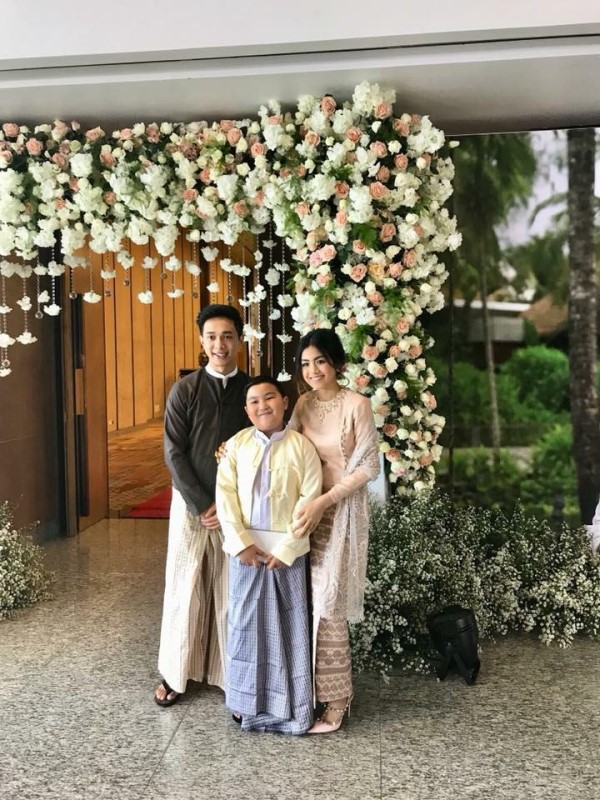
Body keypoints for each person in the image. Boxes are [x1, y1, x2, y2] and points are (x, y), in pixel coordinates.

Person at [216, 376, 322, 734]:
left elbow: (310, 499)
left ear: (285, 402)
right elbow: (225, 497)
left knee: (290, 628)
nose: (263, 406)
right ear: (246, 410)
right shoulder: (236, 446)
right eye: (254, 401)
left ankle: (292, 708)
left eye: (269, 398)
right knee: (244, 627)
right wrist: (241, 543)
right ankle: (246, 705)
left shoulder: (302, 447)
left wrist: (288, 548)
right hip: (245, 552)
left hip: (287, 554)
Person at [154, 304, 249, 707]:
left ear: (240, 341)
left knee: (232, 591)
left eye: (227, 336)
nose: (219, 345)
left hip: (239, 507)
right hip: (191, 505)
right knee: (186, 586)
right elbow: (173, 452)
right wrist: (201, 504)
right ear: (201, 341)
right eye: (211, 337)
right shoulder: (186, 390)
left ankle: (234, 678)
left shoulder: (252, 390)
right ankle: (176, 673)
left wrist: (229, 505)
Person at [290, 329, 380, 734]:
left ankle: (338, 699)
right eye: (306, 363)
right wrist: (236, 448)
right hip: (304, 514)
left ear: (337, 364)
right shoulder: (302, 404)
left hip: (340, 515)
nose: (312, 370)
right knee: (304, 603)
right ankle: (303, 692)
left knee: (329, 606)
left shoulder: (357, 404)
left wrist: (324, 502)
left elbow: (368, 466)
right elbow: (284, 446)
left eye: (320, 361)